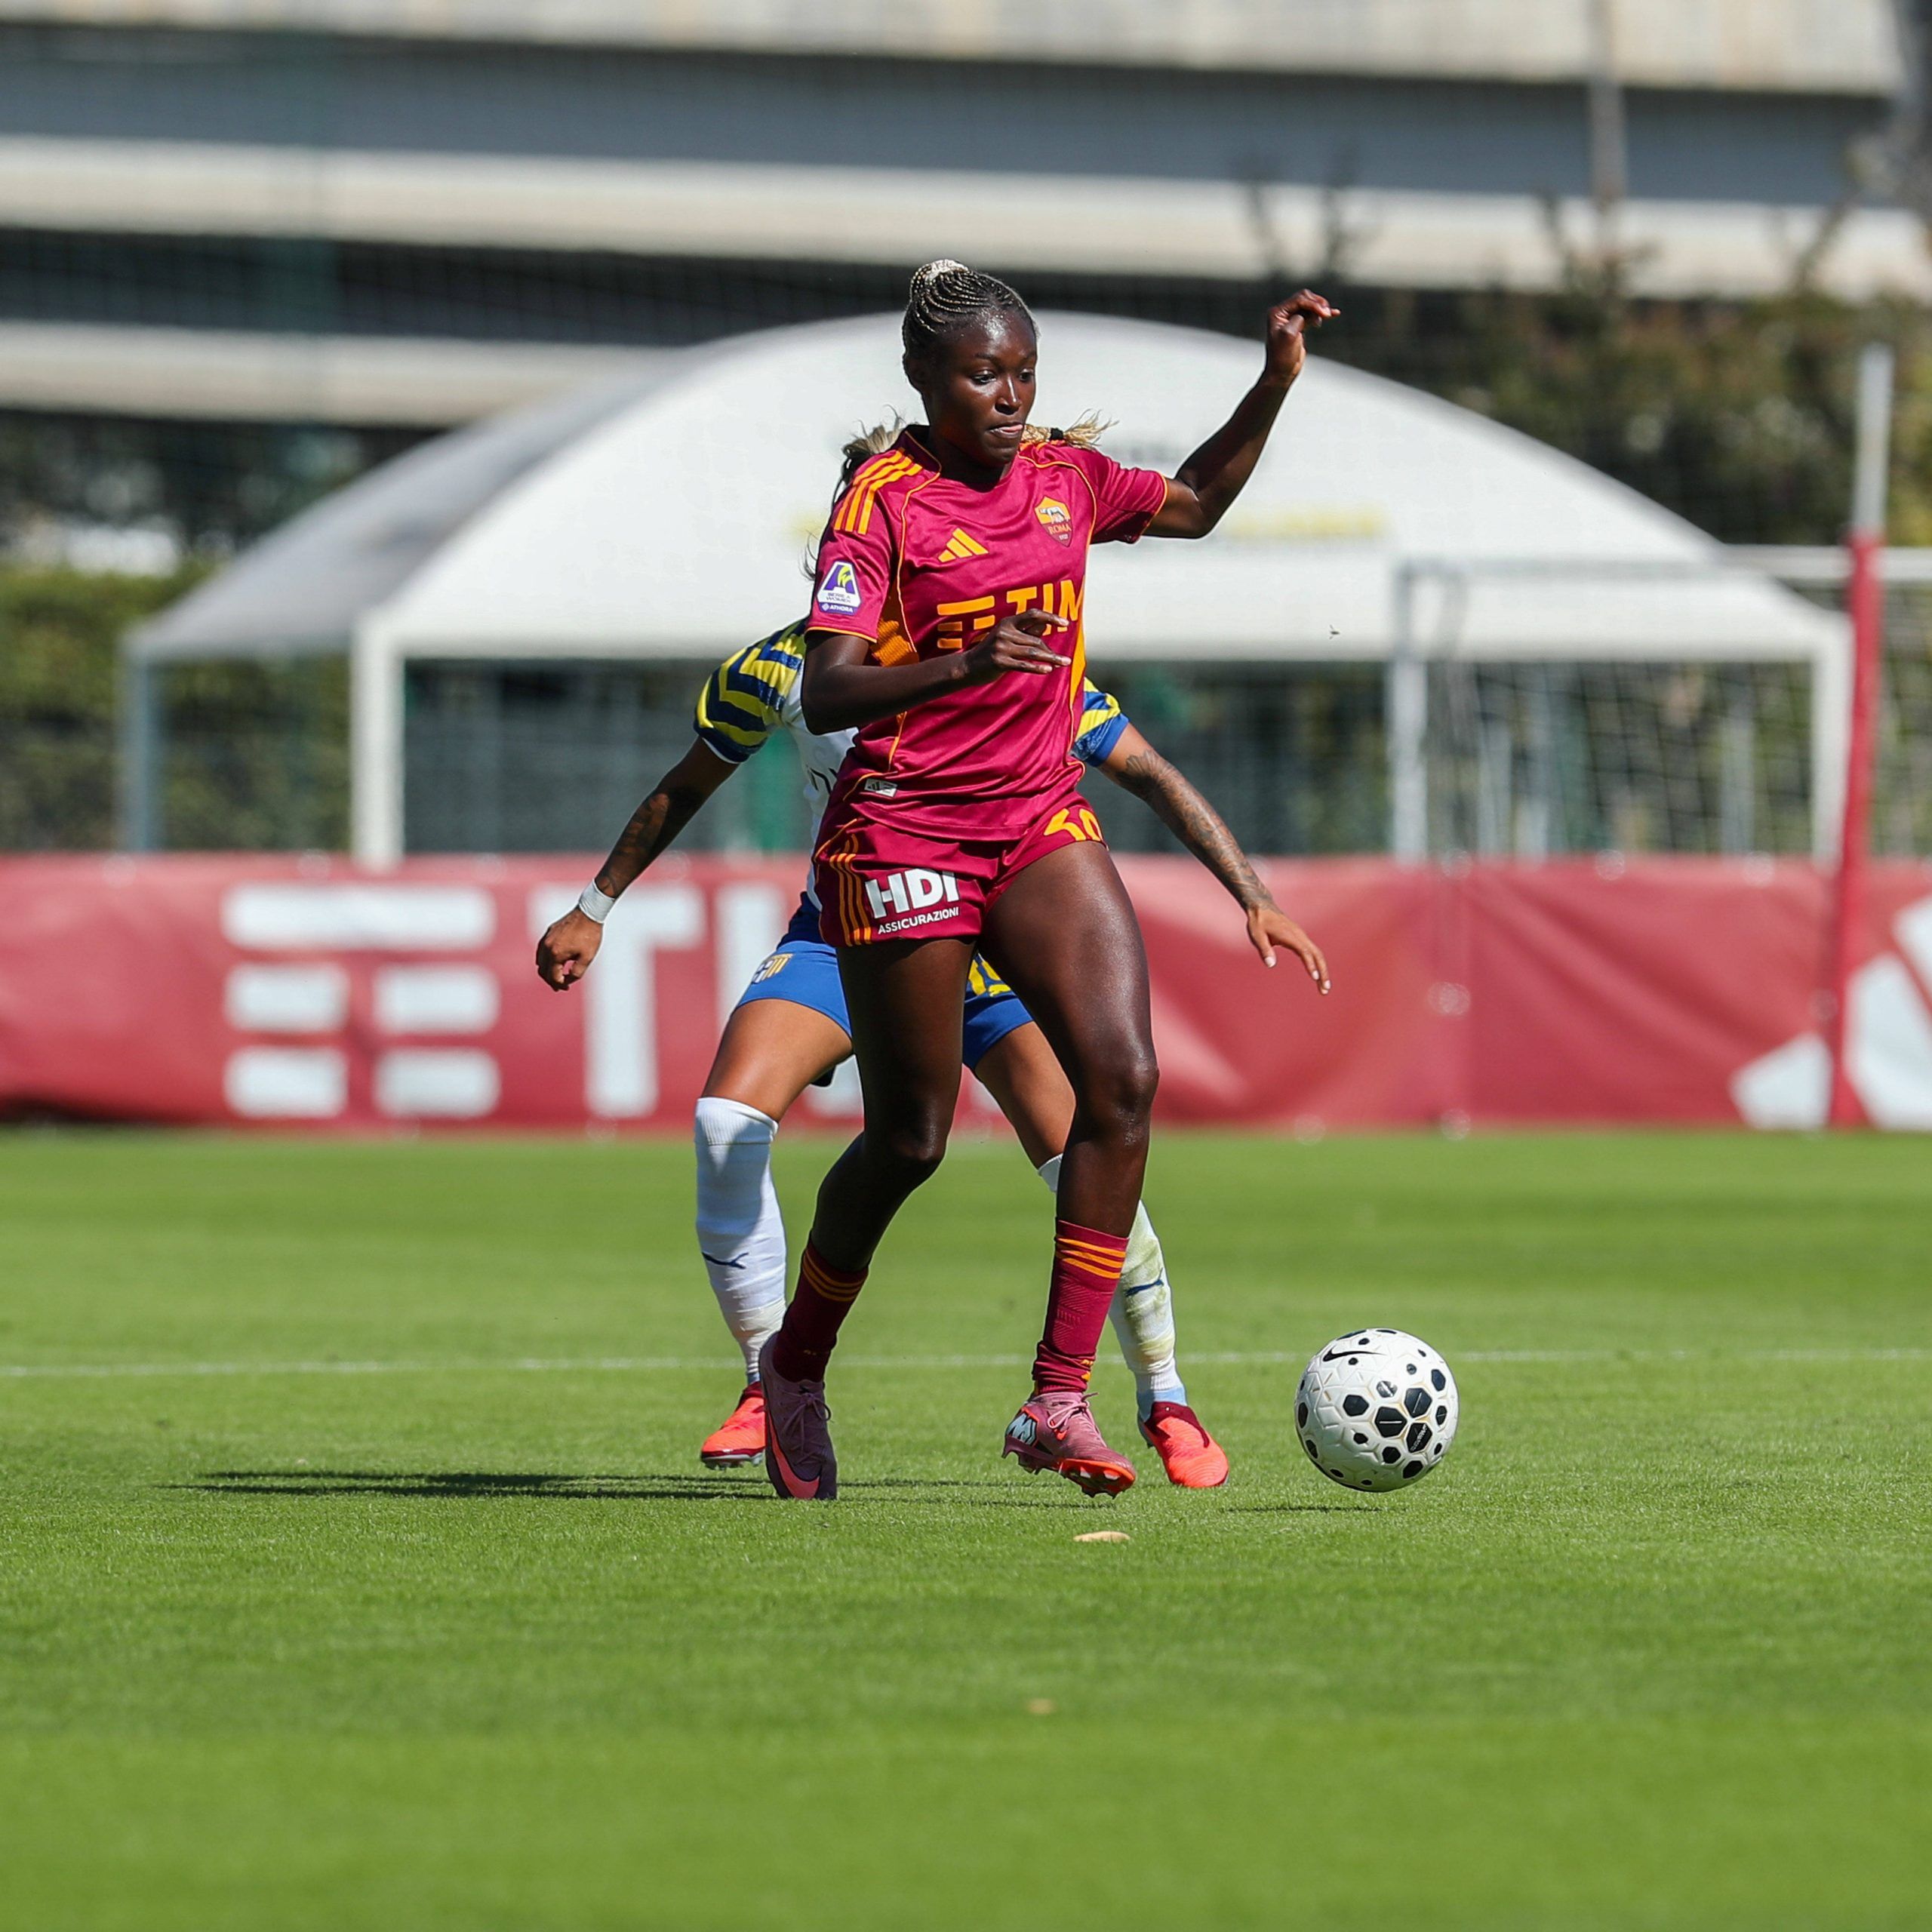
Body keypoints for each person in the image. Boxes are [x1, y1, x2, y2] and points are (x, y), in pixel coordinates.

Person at [758, 260, 1334, 1500]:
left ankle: (1058, 1400)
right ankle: (795, 1368)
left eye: (1024, 372)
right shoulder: (882, 501)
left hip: (1035, 823)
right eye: (983, 374)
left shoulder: (1065, 478)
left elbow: (1191, 506)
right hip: (905, 831)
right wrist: (961, 661)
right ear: (924, 377)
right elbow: (831, 687)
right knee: (908, 1142)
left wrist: (1273, 383)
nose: (1010, 395)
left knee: (1123, 1080)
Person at [537, 585, 1318, 1486]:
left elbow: (1143, 767)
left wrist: (1252, 892)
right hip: (847, 932)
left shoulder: (1014, 658)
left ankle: (1163, 1394)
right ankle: (768, 1376)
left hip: (984, 948)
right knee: (728, 1125)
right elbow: (687, 783)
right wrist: (595, 905)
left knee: (1090, 1151)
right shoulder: (782, 666)